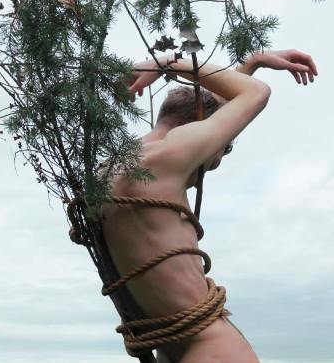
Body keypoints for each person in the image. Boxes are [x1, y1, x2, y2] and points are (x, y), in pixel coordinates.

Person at [101, 48, 318, 363]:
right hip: (211, 346)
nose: (214, 161)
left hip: (169, 350)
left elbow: (210, 111)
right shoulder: (168, 158)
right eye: (219, 152)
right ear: (194, 130)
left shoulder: (110, 170)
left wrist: (252, 62)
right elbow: (256, 94)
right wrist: (165, 63)